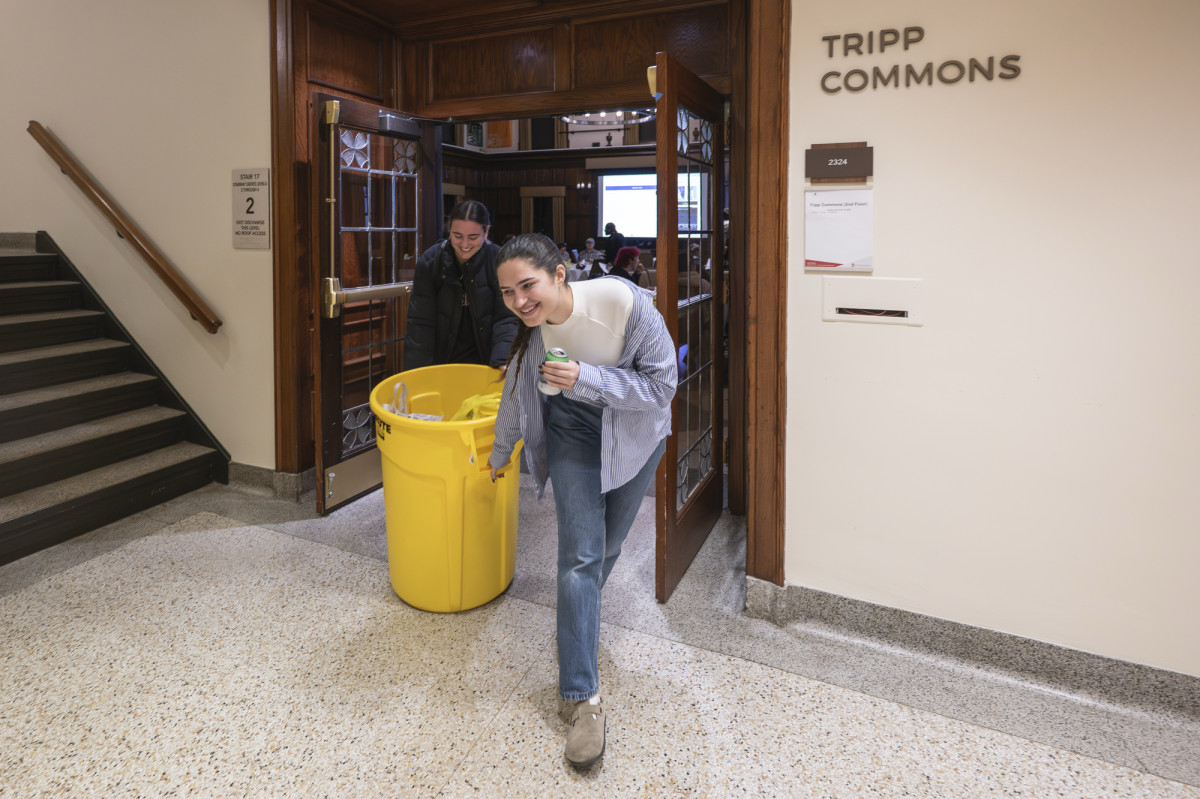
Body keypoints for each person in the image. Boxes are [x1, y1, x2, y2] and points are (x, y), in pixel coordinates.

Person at [488, 234, 676, 768]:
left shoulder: (624, 306)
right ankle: (581, 697)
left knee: (607, 546)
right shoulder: (532, 334)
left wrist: (586, 378)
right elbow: (516, 389)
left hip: (635, 430)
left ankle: (579, 619)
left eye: (528, 286)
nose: (520, 301)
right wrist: (502, 451)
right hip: (571, 428)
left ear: (560, 275)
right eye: (507, 293)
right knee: (578, 553)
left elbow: (662, 387)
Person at [406, 200, 517, 369]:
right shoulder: (431, 262)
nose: (464, 245)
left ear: (486, 232)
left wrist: (503, 359)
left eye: (473, 237)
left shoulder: (500, 261)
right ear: (449, 229)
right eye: (457, 236)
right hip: (443, 361)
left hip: (487, 361)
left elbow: (506, 317)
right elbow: (421, 323)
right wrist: (418, 372)